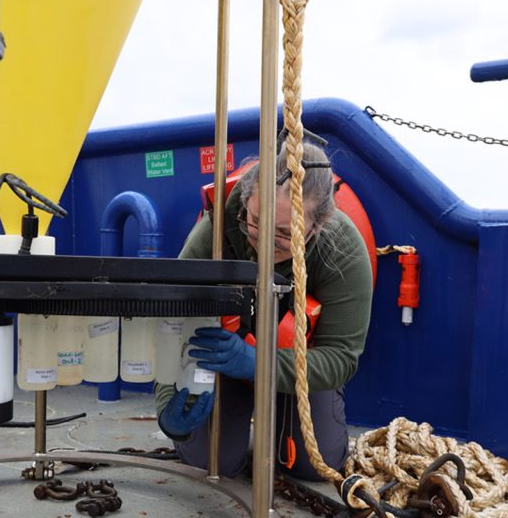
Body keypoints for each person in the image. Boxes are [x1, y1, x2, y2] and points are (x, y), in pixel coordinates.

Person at [155, 140, 373, 480]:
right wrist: (168, 409)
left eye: (285, 233)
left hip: (298, 370)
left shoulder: (342, 249)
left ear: (317, 226)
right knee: (212, 462)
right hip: (222, 366)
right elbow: (171, 321)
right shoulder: (215, 231)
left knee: (316, 466)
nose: (266, 241)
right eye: (255, 221)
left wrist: (258, 363)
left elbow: (341, 357)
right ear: (246, 199)